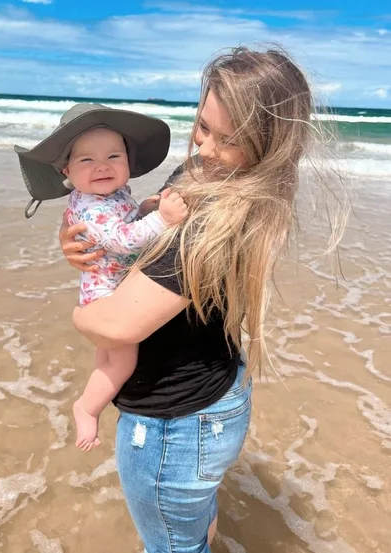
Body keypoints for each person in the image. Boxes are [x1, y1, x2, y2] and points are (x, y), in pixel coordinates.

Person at [57, 46, 347, 551]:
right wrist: (84, 249)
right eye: (203, 127)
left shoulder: (212, 219)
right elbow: (136, 240)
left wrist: (80, 315)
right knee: (192, 526)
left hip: (175, 424)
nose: (206, 149)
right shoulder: (211, 178)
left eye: (228, 139)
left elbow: (118, 326)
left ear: (269, 144)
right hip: (215, 392)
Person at [15, 105, 187, 452]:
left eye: (113, 156)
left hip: (104, 287)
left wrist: (144, 210)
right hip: (107, 294)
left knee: (107, 359)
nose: (102, 166)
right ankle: (88, 407)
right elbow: (121, 239)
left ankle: (93, 399)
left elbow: (123, 223)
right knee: (123, 362)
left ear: (128, 161)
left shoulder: (109, 194)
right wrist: (163, 220)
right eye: (87, 160)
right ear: (66, 171)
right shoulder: (92, 206)